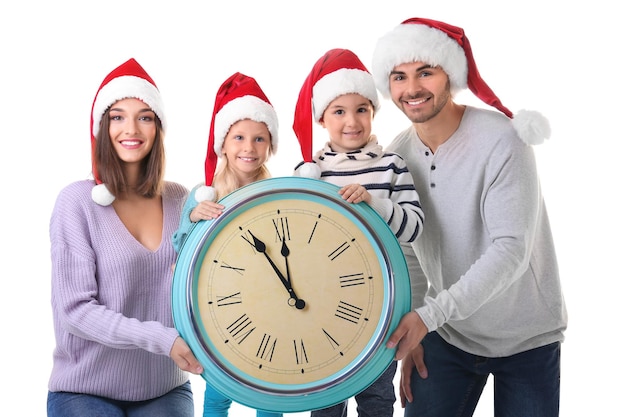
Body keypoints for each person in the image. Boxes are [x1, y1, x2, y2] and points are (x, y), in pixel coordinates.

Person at [371, 17, 568, 417]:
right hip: (448, 335)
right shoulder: (398, 156)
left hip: (527, 337)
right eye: (399, 76)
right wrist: (418, 328)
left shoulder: (503, 139)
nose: (412, 89)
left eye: (425, 72)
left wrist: (427, 317)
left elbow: (510, 250)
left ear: (450, 76)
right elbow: (407, 247)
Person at [47, 58, 203, 417]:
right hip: (84, 391)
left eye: (144, 116)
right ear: (102, 127)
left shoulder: (182, 199)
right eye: (117, 116)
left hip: (165, 389)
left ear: (158, 127)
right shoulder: (77, 203)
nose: (130, 128)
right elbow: (75, 311)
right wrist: (163, 340)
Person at [292, 48, 425, 417]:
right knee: (326, 402)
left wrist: (375, 204)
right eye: (339, 111)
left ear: (372, 112)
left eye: (361, 109)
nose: (352, 121)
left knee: (378, 398)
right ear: (322, 118)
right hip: (322, 308)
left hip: (381, 306)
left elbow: (414, 228)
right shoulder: (309, 174)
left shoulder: (391, 166)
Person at [171, 72, 282, 417]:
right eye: (239, 137)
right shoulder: (204, 195)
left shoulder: (278, 194)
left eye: (259, 139)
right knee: (218, 394)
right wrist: (192, 219)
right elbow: (179, 251)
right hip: (218, 310)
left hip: (269, 302)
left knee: (270, 392)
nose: (248, 148)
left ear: (270, 145)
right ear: (223, 143)